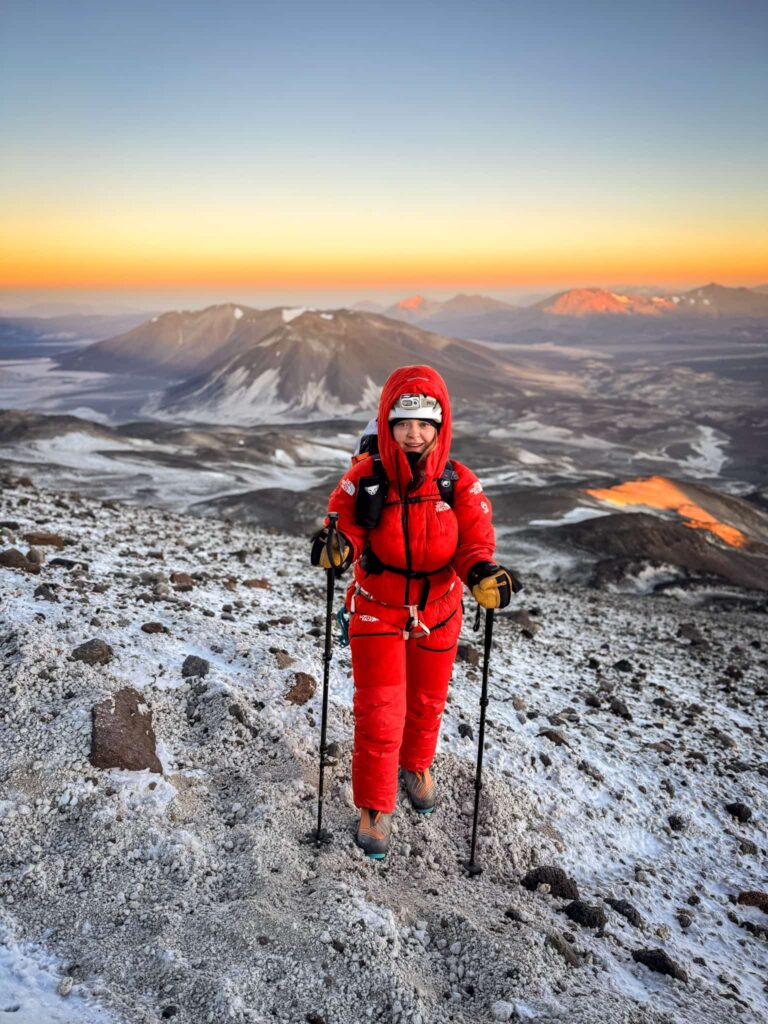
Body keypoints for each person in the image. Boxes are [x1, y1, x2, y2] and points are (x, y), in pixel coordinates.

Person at [311, 364, 519, 858]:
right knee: (381, 710)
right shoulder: (364, 477)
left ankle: (416, 765)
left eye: (426, 424)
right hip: (377, 607)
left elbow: (474, 544)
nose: (414, 433)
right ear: (387, 423)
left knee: (426, 702)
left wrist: (483, 575)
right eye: (404, 423)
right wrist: (336, 548)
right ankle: (374, 806)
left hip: (439, 609)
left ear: (441, 428)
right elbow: (345, 531)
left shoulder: (458, 482)